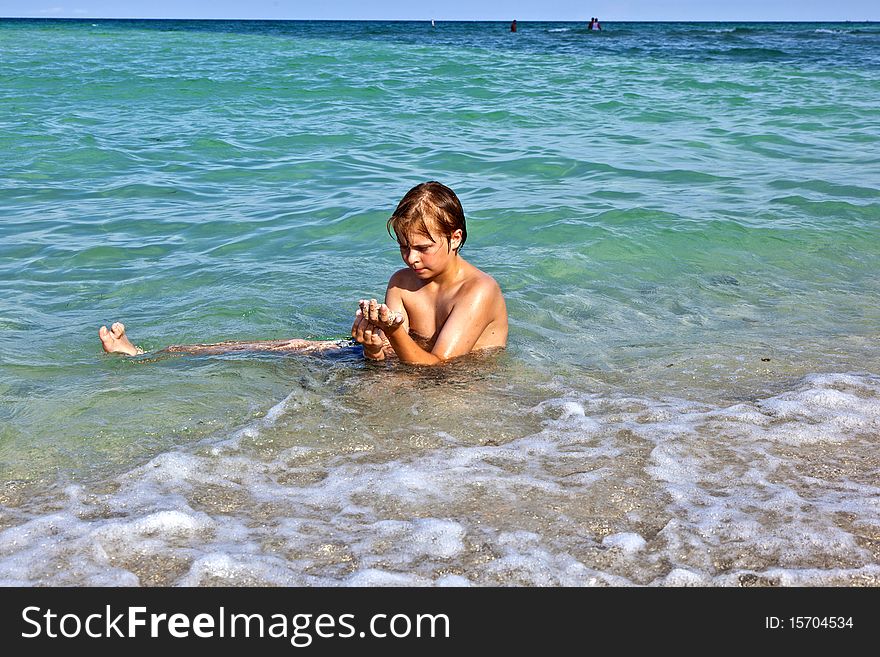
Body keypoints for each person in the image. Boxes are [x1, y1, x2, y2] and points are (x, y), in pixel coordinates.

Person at [98, 182, 508, 366]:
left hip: (456, 385)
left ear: (455, 238)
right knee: (290, 347)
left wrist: (394, 335)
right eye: (403, 246)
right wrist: (369, 343)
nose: (411, 258)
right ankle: (147, 355)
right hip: (409, 367)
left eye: (422, 247)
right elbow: (382, 356)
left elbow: (439, 369)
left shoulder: (477, 290)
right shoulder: (401, 282)